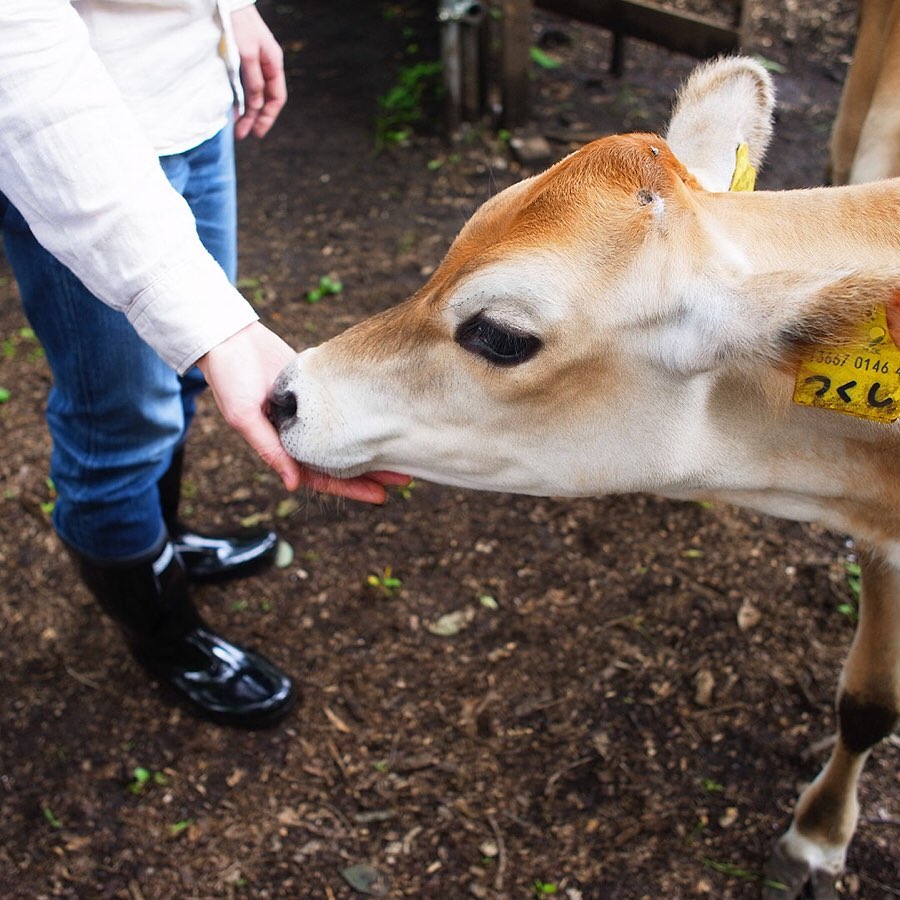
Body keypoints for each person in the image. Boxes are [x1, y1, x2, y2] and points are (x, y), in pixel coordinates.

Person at [0, 0, 404, 729]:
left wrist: (227, 7)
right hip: (76, 152)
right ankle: (165, 637)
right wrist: (212, 325)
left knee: (187, 371)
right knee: (121, 427)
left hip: (194, 98)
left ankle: (163, 539)